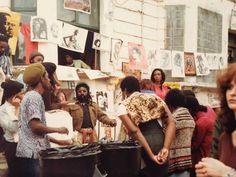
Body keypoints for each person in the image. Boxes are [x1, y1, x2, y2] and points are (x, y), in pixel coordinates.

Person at [16, 63, 71, 177]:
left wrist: (60, 142)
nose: (50, 80)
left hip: (31, 154)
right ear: (41, 78)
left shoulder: (31, 96)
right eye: (47, 77)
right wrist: (58, 129)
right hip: (32, 155)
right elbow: (35, 127)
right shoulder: (33, 97)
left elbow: (35, 134)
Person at [116, 76, 176, 177]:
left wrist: (151, 156)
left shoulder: (123, 106)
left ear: (125, 90)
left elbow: (135, 131)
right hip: (161, 141)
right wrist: (166, 147)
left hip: (143, 146)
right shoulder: (155, 98)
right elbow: (171, 123)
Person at [165, 89, 195, 177]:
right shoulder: (190, 117)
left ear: (170, 104)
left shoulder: (174, 118)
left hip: (175, 163)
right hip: (187, 160)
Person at [183, 96, 215, 177]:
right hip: (208, 158)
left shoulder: (201, 123)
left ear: (189, 109)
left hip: (201, 160)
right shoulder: (206, 114)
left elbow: (194, 145)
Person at [0, 80, 24, 177]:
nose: (23, 95)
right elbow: (13, 128)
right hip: (12, 147)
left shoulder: (23, 106)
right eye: (21, 93)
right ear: (14, 95)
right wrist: (17, 109)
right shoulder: (2, 110)